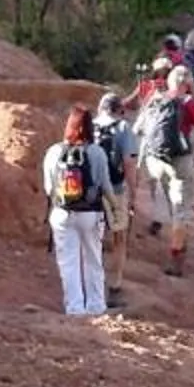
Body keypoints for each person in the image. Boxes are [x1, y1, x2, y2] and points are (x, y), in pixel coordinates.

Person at [40, 104, 115, 316]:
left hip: (62, 213)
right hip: (91, 214)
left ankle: (75, 309)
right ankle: (96, 307)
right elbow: (105, 186)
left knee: (68, 263)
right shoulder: (97, 152)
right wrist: (116, 209)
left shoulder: (53, 152)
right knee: (93, 260)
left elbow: (48, 188)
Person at [134, 62, 194, 278]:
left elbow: (138, 129)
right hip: (180, 161)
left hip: (157, 160)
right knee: (180, 209)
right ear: (187, 83)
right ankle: (177, 257)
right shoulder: (188, 102)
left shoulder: (156, 98)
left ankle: (176, 237)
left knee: (171, 202)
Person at [91, 88, 138, 304]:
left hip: (90, 193)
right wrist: (133, 192)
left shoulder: (89, 125)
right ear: (119, 110)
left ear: (100, 108)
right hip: (115, 191)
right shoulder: (123, 128)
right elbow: (128, 163)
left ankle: (92, 285)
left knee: (93, 239)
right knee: (119, 238)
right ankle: (115, 285)